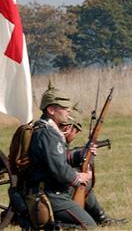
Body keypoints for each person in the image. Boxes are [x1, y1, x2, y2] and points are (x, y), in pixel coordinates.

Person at [25, 85, 97, 229]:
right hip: (51, 194)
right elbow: (59, 169)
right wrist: (79, 177)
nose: (68, 111)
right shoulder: (48, 134)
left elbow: (60, 157)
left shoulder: (46, 131)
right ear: (51, 110)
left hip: (52, 189)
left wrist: (82, 154)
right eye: (64, 108)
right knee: (88, 226)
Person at [59, 111, 125, 227]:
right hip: (49, 192)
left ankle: (101, 217)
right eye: (76, 131)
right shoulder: (52, 138)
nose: (76, 135)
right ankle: (99, 218)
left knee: (83, 178)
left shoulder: (52, 135)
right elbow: (60, 161)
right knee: (81, 180)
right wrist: (80, 155)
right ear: (69, 128)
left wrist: (87, 158)